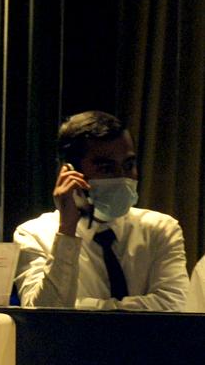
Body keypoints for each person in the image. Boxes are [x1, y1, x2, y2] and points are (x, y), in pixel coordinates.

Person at [13, 110, 189, 310]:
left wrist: (81, 308)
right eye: (106, 168)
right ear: (71, 173)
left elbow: (173, 306)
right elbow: (47, 315)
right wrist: (67, 231)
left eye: (129, 165)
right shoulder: (34, 235)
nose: (123, 178)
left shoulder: (161, 229)